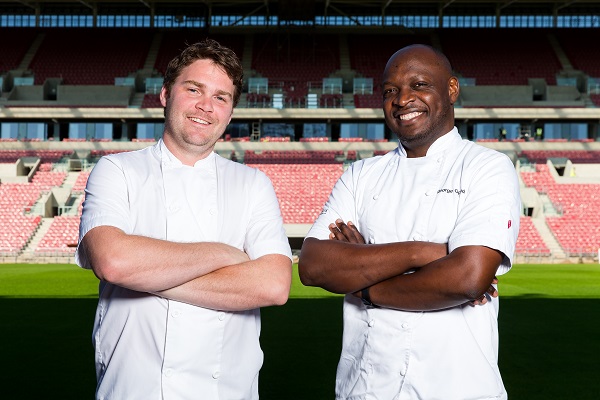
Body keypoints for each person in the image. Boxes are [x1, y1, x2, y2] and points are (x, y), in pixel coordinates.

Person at [298, 44, 521, 400]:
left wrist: (365, 288)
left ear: (451, 89)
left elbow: (466, 278)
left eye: (419, 85)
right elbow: (313, 267)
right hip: (365, 387)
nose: (402, 99)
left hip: (458, 388)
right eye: (390, 91)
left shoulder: (487, 167)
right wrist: (426, 254)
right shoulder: (361, 174)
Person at [76, 39, 293, 400]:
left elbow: (273, 285)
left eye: (221, 97)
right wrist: (225, 254)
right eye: (194, 89)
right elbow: (113, 262)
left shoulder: (253, 184)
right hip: (132, 389)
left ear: (230, 112)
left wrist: (143, 276)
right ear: (165, 94)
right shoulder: (117, 170)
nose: (206, 106)